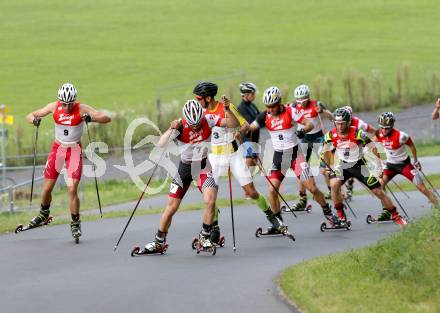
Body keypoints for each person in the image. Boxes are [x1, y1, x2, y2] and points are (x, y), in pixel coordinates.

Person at [141, 100, 238, 253]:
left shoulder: (209, 119)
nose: (197, 127)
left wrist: (228, 110)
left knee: (210, 200)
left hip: (202, 167)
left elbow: (233, 123)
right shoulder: (181, 126)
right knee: (172, 206)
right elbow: (160, 144)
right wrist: (171, 128)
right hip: (184, 169)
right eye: (193, 124)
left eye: (198, 123)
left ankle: (205, 235)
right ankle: (159, 241)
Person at [25, 83, 111, 240]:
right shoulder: (53, 106)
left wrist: (91, 118)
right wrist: (34, 121)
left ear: (74, 101)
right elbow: (30, 115)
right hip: (58, 150)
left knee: (72, 190)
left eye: (69, 103)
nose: (66, 107)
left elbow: (106, 118)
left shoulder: (82, 108)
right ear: (60, 101)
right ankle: (44, 214)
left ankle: (75, 223)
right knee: (47, 189)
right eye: (63, 103)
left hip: (74, 151)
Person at [246, 86, 337, 233]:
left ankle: (329, 213)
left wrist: (302, 130)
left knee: (312, 188)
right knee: (272, 190)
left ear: (279, 102)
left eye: (273, 106)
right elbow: (250, 129)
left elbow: (310, 124)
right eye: (267, 107)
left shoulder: (290, 111)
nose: (270, 110)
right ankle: (278, 223)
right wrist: (240, 130)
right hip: (279, 156)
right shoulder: (265, 116)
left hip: (295, 155)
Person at [193, 82, 277, 239]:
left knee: (251, 192)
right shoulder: (200, 112)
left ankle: (272, 217)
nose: (197, 101)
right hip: (214, 158)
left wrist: (237, 130)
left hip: (233, 155)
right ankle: (215, 228)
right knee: (210, 197)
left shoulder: (226, 106)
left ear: (208, 98)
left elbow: (244, 125)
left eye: (199, 98)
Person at [321, 108, 407, 227]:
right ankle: (341, 217)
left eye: (342, 123)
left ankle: (396, 216)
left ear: (348, 122)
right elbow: (326, 149)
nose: (340, 126)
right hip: (343, 165)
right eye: (337, 123)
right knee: (334, 186)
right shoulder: (331, 134)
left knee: (377, 191)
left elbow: (373, 147)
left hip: (359, 165)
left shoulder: (357, 133)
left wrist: (379, 165)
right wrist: (326, 165)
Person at [371, 112, 438, 220]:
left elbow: (412, 147)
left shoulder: (401, 136)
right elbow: (372, 144)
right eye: (382, 127)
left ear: (392, 127)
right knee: (379, 186)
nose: (384, 130)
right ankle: (387, 211)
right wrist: (378, 161)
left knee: (422, 188)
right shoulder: (379, 133)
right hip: (390, 166)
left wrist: (416, 161)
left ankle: (437, 206)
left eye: (386, 128)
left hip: (404, 165)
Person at [289, 84, 335, 210]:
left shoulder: (316, 104)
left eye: (303, 100)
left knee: (324, 168)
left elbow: (332, 117)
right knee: (301, 170)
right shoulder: (294, 106)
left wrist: (323, 111)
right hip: (304, 138)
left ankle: (332, 192)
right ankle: (302, 198)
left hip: (318, 138)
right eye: (299, 101)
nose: (301, 104)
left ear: (308, 97)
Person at [342, 105, 376, 200]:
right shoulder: (341, 123)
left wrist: (368, 147)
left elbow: (374, 132)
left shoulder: (358, 122)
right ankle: (348, 188)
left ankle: (376, 188)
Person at [236, 82, 260, 172]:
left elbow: (260, 117)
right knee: (247, 174)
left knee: (251, 173)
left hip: (254, 141)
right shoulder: (241, 108)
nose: (254, 96)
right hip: (248, 142)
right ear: (246, 94)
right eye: (252, 94)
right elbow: (250, 124)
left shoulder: (252, 105)